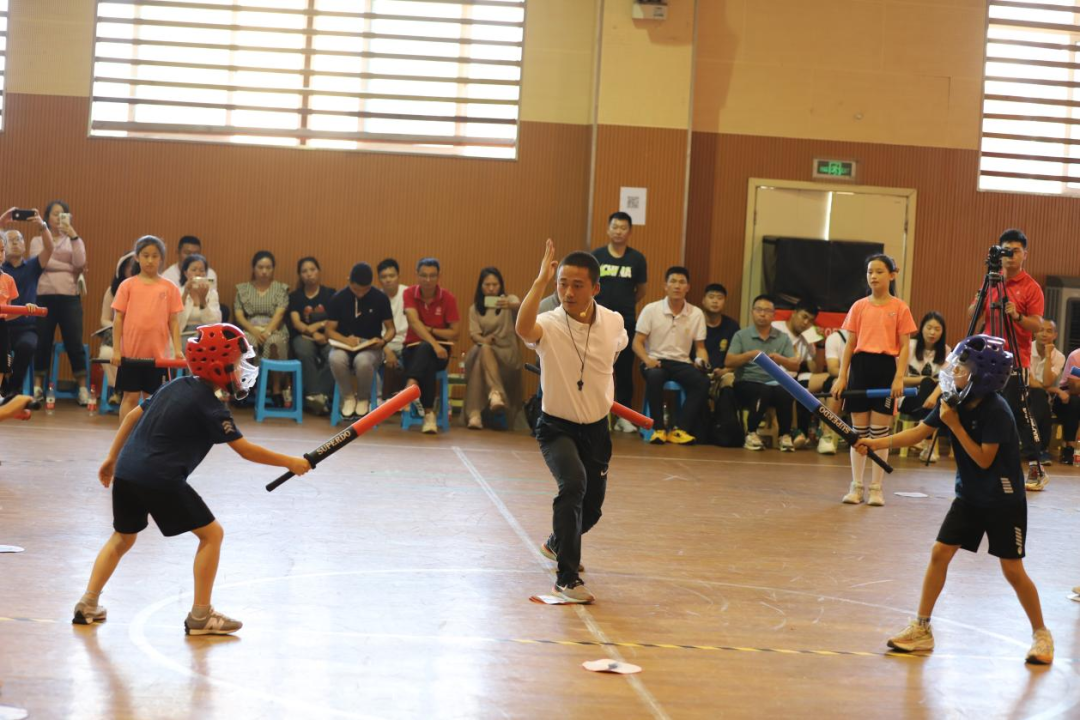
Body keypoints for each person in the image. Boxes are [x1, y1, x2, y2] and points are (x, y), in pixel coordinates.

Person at [72, 323, 311, 635]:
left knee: (122, 537)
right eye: (237, 362)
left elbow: (132, 416)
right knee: (212, 535)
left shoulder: (175, 386)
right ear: (218, 365)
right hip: (160, 478)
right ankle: (201, 615)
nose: (241, 369)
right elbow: (245, 450)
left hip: (129, 472)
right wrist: (292, 462)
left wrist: (112, 458)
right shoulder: (211, 407)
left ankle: (88, 603)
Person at [856, 335, 1053, 666]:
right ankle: (921, 629)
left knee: (1013, 571)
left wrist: (954, 425)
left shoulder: (997, 411)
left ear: (981, 377)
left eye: (960, 367)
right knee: (940, 553)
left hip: (1003, 500)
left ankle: (1042, 635)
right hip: (971, 497)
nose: (952, 372)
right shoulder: (954, 401)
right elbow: (919, 433)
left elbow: (983, 459)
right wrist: (873, 444)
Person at [516, 239, 628, 604]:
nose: (568, 292)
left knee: (591, 509)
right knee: (573, 485)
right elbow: (522, 329)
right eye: (562, 283)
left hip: (597, 429)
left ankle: (555, 543)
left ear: (595, 288)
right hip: (556, 426)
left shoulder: (614, 322)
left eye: (577, 285)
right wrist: (539, 283)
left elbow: (615, 350)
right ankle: (567, 579)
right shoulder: (546, 324)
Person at [832, 254, 916, 507]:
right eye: (870, 272)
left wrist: (899, 378)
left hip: (884, 369)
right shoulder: (858, 306)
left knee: (880, 432)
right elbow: (850, 346)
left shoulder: (900, 307)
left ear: (892, 275)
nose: (873, 276)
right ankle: (856, 486)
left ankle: (876, 487)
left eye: (879, 271)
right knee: (858, 432)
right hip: (860, 368)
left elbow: (904, 347)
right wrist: (841, 377)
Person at [967, 229, 1046, 488]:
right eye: (1005, 251)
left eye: (1015, 251)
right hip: (987, 358)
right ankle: (986, 463)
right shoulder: (991, 281)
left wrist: (1017, 317)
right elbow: (972, 314)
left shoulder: (1030, 287)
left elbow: (1037, 326)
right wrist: (979, 300)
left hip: (1015, 360)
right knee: (983, 409)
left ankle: (1036, 467)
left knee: (1019, 413)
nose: (1009, 256)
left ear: (1025, 254)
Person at [631, 266, 710, 444]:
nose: (677, 286)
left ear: (688, 287)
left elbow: (700, 347)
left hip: (682, 362)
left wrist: (702, 360)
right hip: (655, 361)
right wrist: (647, 360)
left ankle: (680, 429)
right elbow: (637, 342)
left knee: (703, 382)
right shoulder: (651, 310)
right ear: (665, 286)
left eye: (682, 282)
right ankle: (658, 429)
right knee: (655, 376)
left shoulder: (696, 313)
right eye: (673, 281)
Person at [111, 236, 183, 421]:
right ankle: (125, 439)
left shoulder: (170, 288)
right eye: (145, 255)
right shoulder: (127, 285)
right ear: (137, 257)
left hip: (158, 356)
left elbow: (173, 322)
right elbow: (118, 319)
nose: (150, 260)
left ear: (161, 259)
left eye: (154, 256)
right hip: (130, 354)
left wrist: (178, 351)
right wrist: (117, 351)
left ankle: (146, 440)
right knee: (130, 397)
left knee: (154, 400)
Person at [592, 211, 647, 433]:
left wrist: (624, 307)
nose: (618, 231)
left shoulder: (637, 259)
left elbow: (641, 290)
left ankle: (624, 417)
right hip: (598, 320)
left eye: (623, 228)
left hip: (626, 321)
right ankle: (595, 414)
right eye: (614, 227)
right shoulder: (597, 256)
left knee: (624, 371)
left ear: (630, 232)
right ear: (608, 229)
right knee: (598, 367)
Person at [30, 200, 89, 404]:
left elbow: (80, 262)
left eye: (62, 214)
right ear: (46, 217)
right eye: (55, 214)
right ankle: (38, 387)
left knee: (74, 342)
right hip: (43, 295)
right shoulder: (38, 241)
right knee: (42, 341)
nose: (58, 218)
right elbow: (40, 262)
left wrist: (73, 235)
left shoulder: (75, 240)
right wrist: (67, 266)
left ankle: (82, 389)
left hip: (69, 297)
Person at [724, 294, 799, 451]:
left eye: (767, 311)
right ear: (752, 312)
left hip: (774, 383)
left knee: (786, 390)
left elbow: (795, 366)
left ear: (773, 315)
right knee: (763, 389)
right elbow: (729, 361)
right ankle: (751, 433)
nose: (762, 314)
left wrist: (780, 359)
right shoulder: (741, 335)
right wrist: (750, 355)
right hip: (746, 382)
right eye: (758, 310)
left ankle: (785, 435)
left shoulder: (782, 338)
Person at [326, 262, 394, 419]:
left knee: (363, 361)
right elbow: (329, 330)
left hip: (371, 348)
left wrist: (383, 341)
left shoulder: (380, 298)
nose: (361, 294)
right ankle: (348, 397)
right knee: (335, 358)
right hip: (343, 346)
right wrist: (345, 340)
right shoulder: (338, 298)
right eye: (357, 290)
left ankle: (363, 398)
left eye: (365, 290)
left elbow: (391, 328)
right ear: (349, 281)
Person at [402, 258, 460, 434]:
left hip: (441, 353)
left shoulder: (448, 298)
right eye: (424, 275)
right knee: (426, 356)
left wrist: (429, 330)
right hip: (412, 350)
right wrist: (434, 343)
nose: (428, 280)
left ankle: (410, 386)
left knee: (427, 354)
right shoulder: (409, 293)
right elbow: (413, 322)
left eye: (432, 276)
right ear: (417, 275)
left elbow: (455, 333)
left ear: (439, 276)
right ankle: (429, 414)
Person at [1, 209, 53, 396]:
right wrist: (1, 223)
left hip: (26, 328)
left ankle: (12, 388)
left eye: (19, 239)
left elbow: (49, 249)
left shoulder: (32, 266)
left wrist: (42, 225)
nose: (15, 243)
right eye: (10, 240)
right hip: (3, 324)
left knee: (27, 346)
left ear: (25, 244)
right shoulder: (1, 269)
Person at [464, 267, 522, 430]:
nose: (491, 288)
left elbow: (523, 309)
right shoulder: (475, 308)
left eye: (495, 284)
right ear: (480, 287)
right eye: (487, 284)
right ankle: (495, 394)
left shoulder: (510, 300)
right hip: (486, 350)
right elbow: (474, 334)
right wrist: (484, 339)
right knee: (484, 349)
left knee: (481, 356)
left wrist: (511, 305)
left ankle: (474, 414)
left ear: (501, 285)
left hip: (507, 355)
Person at [234, 251, 291, 406]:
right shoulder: (243, 289)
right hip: (250, 327)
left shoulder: (280, 289)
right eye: (260, 267)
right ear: (254, 268)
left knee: (275, 342)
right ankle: (247, 385)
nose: (264, 271)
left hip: (274, 328)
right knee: (248, 343)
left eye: (268, 267)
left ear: (273, 269)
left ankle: (276, 387)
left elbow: (279, 314)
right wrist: (254, 331)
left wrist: (267, 331)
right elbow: (239, 316)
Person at [772, 299, 827, 449]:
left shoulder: (807, 337)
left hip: (796, 376)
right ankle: (792, 431)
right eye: (804, 317)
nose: (806, 323)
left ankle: (825, 433)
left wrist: (820, 344)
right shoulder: (775, 328)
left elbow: (816, 370)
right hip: (772, 377)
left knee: (830, 380)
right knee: (790, 385)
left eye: (810, 321)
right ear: (794, 313)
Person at [288, 257, 336, 416]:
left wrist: (318, 327)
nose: (309, 274)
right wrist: (313, 332)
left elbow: (333, 320)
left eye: (312, 269)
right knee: (304, 351)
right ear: (300, 275)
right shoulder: (295, 296)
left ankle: (316, 396)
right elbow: (296, 323)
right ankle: (317, 396)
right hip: (303, 337)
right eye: (304, 271)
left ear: (319, 271)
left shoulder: (330, 294)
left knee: (334, 355)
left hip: (326, 337)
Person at [901, 311, 950, 462]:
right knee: (928, 382)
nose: (932, 332)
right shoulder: (909, 346)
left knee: (934, 388)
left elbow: (946, 381)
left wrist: (933, 396)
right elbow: (899, 379)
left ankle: (925, 440)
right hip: (908, 397)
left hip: (932, 399)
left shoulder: (947, 351)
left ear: (942, 332)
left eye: (937, 329)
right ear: (921, 328)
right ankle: (927, 442)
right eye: (929, 328)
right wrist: (922, 379)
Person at [97, 252, 138, 396]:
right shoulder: (113, 290)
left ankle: (132, 391)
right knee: (106, 353)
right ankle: (119, 389)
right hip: (117, 334)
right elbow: (104, 319)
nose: (131, 269)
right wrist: (119, 325)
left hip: (138, 337)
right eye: (128, 266)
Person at [1027, 319, 1066, 468]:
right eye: (1041, 330)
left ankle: (1036, 448)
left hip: (1040, 397)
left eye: (1049, 331)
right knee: (1038, 395)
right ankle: (1040, 449)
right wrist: (1055, 390)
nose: (1044, 334)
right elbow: (1029, 381)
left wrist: (1048, 356)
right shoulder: (1026, 350)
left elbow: (1047, 382)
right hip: (1020, 392)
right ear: (1035, 332)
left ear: (1055, 335)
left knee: (1040, 398)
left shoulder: (1059, 357)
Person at [377, 258, 408, 400]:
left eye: (392, 276)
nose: (388, 280)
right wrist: (387, 350)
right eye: (384, 277)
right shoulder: (375, 297)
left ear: (399, 276)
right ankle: (377, 398)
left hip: (406, 343)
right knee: (369, 359)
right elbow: (372, 333)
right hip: (382, 344)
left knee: (414, 358)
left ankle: (407, 401)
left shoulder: (408, 294)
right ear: (379, 280)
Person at [816, 327, 849, 455]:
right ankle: (826, 435)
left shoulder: (872, 338)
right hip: (841, 380)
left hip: (864, 383)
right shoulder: (835, 338)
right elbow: (833, 369)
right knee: (837, 385)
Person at [701, 283, 739, 389]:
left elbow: (737, 357)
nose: (715, 301)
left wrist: (725, 371)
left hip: (723, 373)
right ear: (703, 301)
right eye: (711, 297)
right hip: (696, 371)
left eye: (720, 298)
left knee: (731, 381)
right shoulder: (694, 322)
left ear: (724, 302)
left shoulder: (732, 326)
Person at [177, 254, 222, 341]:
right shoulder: (178, 292)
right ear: (186, 273)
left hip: (206, 336)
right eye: (194, 270)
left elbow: (215, 323)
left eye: (202, 270)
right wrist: (185, 294)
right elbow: (175, 322)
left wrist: (202, 300)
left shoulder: (212, 294)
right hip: (183, 334)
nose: (198, 273)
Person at [1058, 347, 1080, 466]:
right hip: (1066, 396)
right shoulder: (1076, 356)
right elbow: (1074, 388)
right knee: (1074, 402)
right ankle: (1069, 449)